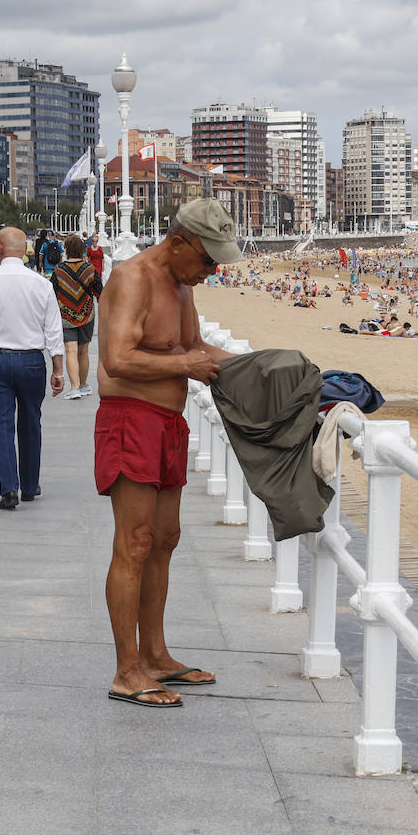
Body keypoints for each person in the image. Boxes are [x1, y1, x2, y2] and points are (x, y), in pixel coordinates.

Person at [95, 198, 240, 707]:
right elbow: (116, 360)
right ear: (179, 242)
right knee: (133, 543)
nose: (211, 271)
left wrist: (266, 367)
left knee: (164, 540)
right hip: (130, 419)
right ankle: (126, 670)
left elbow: (196, 346)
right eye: (207, 260)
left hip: (168, 424)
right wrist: (185, 367)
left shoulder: (181, 285)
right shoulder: (132, 278)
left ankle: (155, 655)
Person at [0, 227, 64, 509]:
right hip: (32, 359)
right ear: (25, 252)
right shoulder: (41, 283)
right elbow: (53, 329)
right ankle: (30, 485)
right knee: (31, 421)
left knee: (2, 424)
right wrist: (58, 368)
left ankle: (9, 488)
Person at [50, 234, 102, 400]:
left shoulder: (59, 270)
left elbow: (52, 294)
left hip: (65, 314)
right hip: (87, 315)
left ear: (66, 250)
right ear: (82, 250)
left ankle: (74, 388)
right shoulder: (90, 270)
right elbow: (100, 293)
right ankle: (83, 385)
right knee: (83, 351)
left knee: (70, 350)